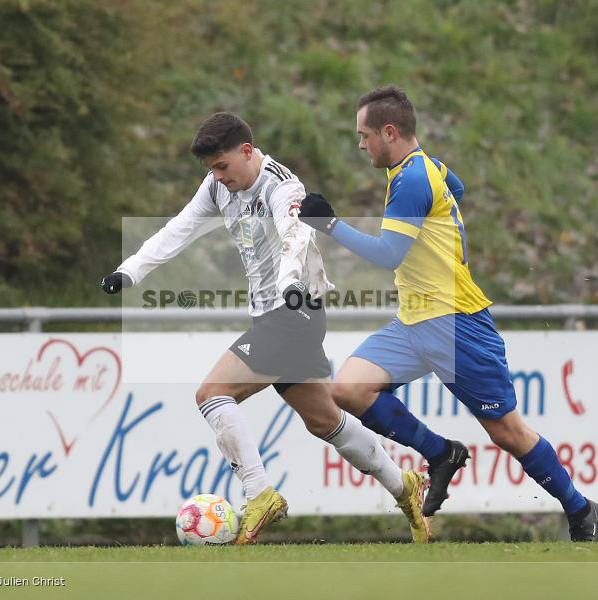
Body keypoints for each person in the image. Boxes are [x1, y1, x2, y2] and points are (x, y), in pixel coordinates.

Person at [101, 112, 430, 544]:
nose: (218, 178)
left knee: (212, 394)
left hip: (294, 312)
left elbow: (294, 236)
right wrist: (131, 271)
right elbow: (180, 227)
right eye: (210, 171)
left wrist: (292, 283)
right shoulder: (218, 185)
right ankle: (402, 485)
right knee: (326, 421)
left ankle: (259, 494)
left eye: (222, 167)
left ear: (247, 151)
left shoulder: (282, 186)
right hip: (278, 316)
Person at [298, 86, 598, 541]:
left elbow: (388, 255)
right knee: (349, 388)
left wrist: (332, 226)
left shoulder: (414, 180)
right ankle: (441, 453)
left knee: (507, 432)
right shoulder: (421, 169)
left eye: (364, 136)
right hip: (416, 320)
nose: (360, 145)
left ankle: (581, 510)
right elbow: (455, 187)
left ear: (390, 131)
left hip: (458, 324)